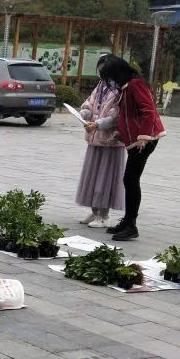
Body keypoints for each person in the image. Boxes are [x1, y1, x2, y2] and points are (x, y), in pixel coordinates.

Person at [100, 55, 165, 241]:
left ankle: (131, 225)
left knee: (130, 179)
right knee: (129, 180)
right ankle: (127, 221)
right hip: (136, 139)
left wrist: (143, 137)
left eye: (109, 77)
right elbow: (128, 116)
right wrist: (121, 134)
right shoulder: (126, 88)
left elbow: (148, 110)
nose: (109, 82)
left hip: (145, 140)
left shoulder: (136, 85)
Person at [75, 54, 124, 228]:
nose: (101, 73)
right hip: (95, 138)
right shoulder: (101, 85)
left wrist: (97, 124)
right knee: (92, 175)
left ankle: (103, 215)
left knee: (105, 178)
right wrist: (84, 114)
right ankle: (95, 210)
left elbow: (117, 117)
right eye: (100, 69)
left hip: (110, 141)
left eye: (104, 70)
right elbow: (89, 103)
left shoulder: (120, 89)